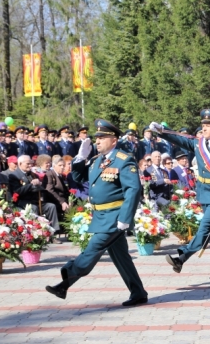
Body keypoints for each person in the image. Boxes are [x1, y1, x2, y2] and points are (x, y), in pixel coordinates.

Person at [46, 119, 147, 306]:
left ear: (114, 140)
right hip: (100, 215)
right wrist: (79, 158)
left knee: (93, 248)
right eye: (97, 138)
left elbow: (133, 190)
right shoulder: (96, 161)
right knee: (121, 257)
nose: (97, 141)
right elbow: (77, 177)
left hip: (114, 216)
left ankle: (68, 275)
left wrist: (125, 218)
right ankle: (138, 292)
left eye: (102, 137)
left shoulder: (124, 160)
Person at [150, 109, 210, 280]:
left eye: (209, 125)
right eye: (203, 125)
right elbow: (180, 139)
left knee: (205, 229)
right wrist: (162, 132)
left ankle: (182, 258)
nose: (204, 128)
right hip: (204, 193)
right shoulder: (198, 144)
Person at [9, 155, 61, 237]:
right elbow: (17, 191)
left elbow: (40, 189)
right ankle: (37, 233)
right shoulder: (14, 175)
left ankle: (53, 233)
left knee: (51, 206)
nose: (30, 166)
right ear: (20, 164)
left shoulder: (33, 175)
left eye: (31, 164)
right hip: (23, 202)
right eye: (27, 164)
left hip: (37, 201)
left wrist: (39, 185)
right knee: (33, 208)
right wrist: (31, 185)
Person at [43, 156, 70, 221]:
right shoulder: (49, 174)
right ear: (54, 166)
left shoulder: (61, 175)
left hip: (63, 199)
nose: (62, 167)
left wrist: (70, 200)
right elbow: (49, 190)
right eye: (60, 165)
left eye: (63, 165)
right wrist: (62, 202)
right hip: (54, 200)